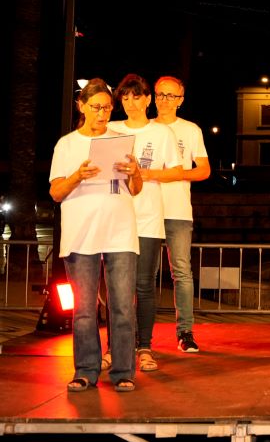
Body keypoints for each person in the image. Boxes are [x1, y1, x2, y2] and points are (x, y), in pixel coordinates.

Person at [48, 78, 143, 392]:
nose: (102, 113)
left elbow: (136, 189)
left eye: (106, 107)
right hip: (81, 234)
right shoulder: (67, 144)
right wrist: (78, 175)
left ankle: (123, 371)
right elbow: (56, 193)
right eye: (95, 107)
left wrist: (135, 173)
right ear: (81, 106)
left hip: (120, 230)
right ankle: (86, 370)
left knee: (122, 306)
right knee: (85, 308)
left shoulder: (123, 139)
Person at [107, 74, 183, 371]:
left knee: (143, 286)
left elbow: (176, 171)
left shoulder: (160, 133)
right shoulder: (111, 130)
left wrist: (142, 174)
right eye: (124, 97)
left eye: (136, 97)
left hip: (149, 217)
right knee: (117, 287)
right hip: (114, 217)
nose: (130, 103)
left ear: (148, 99)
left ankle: (144, 347)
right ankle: (115, 348)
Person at [154, 76, 211, 352]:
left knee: (182, 272)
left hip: (177, 210)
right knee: (143, 275)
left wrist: (175, 176)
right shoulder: (144, 128)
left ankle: (185, 332)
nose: (164, 100)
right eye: (160, 95)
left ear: (181, 100)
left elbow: (204, 169)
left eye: (170, 96)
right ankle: (139, 336)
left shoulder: (190, 130)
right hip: (146, 212)